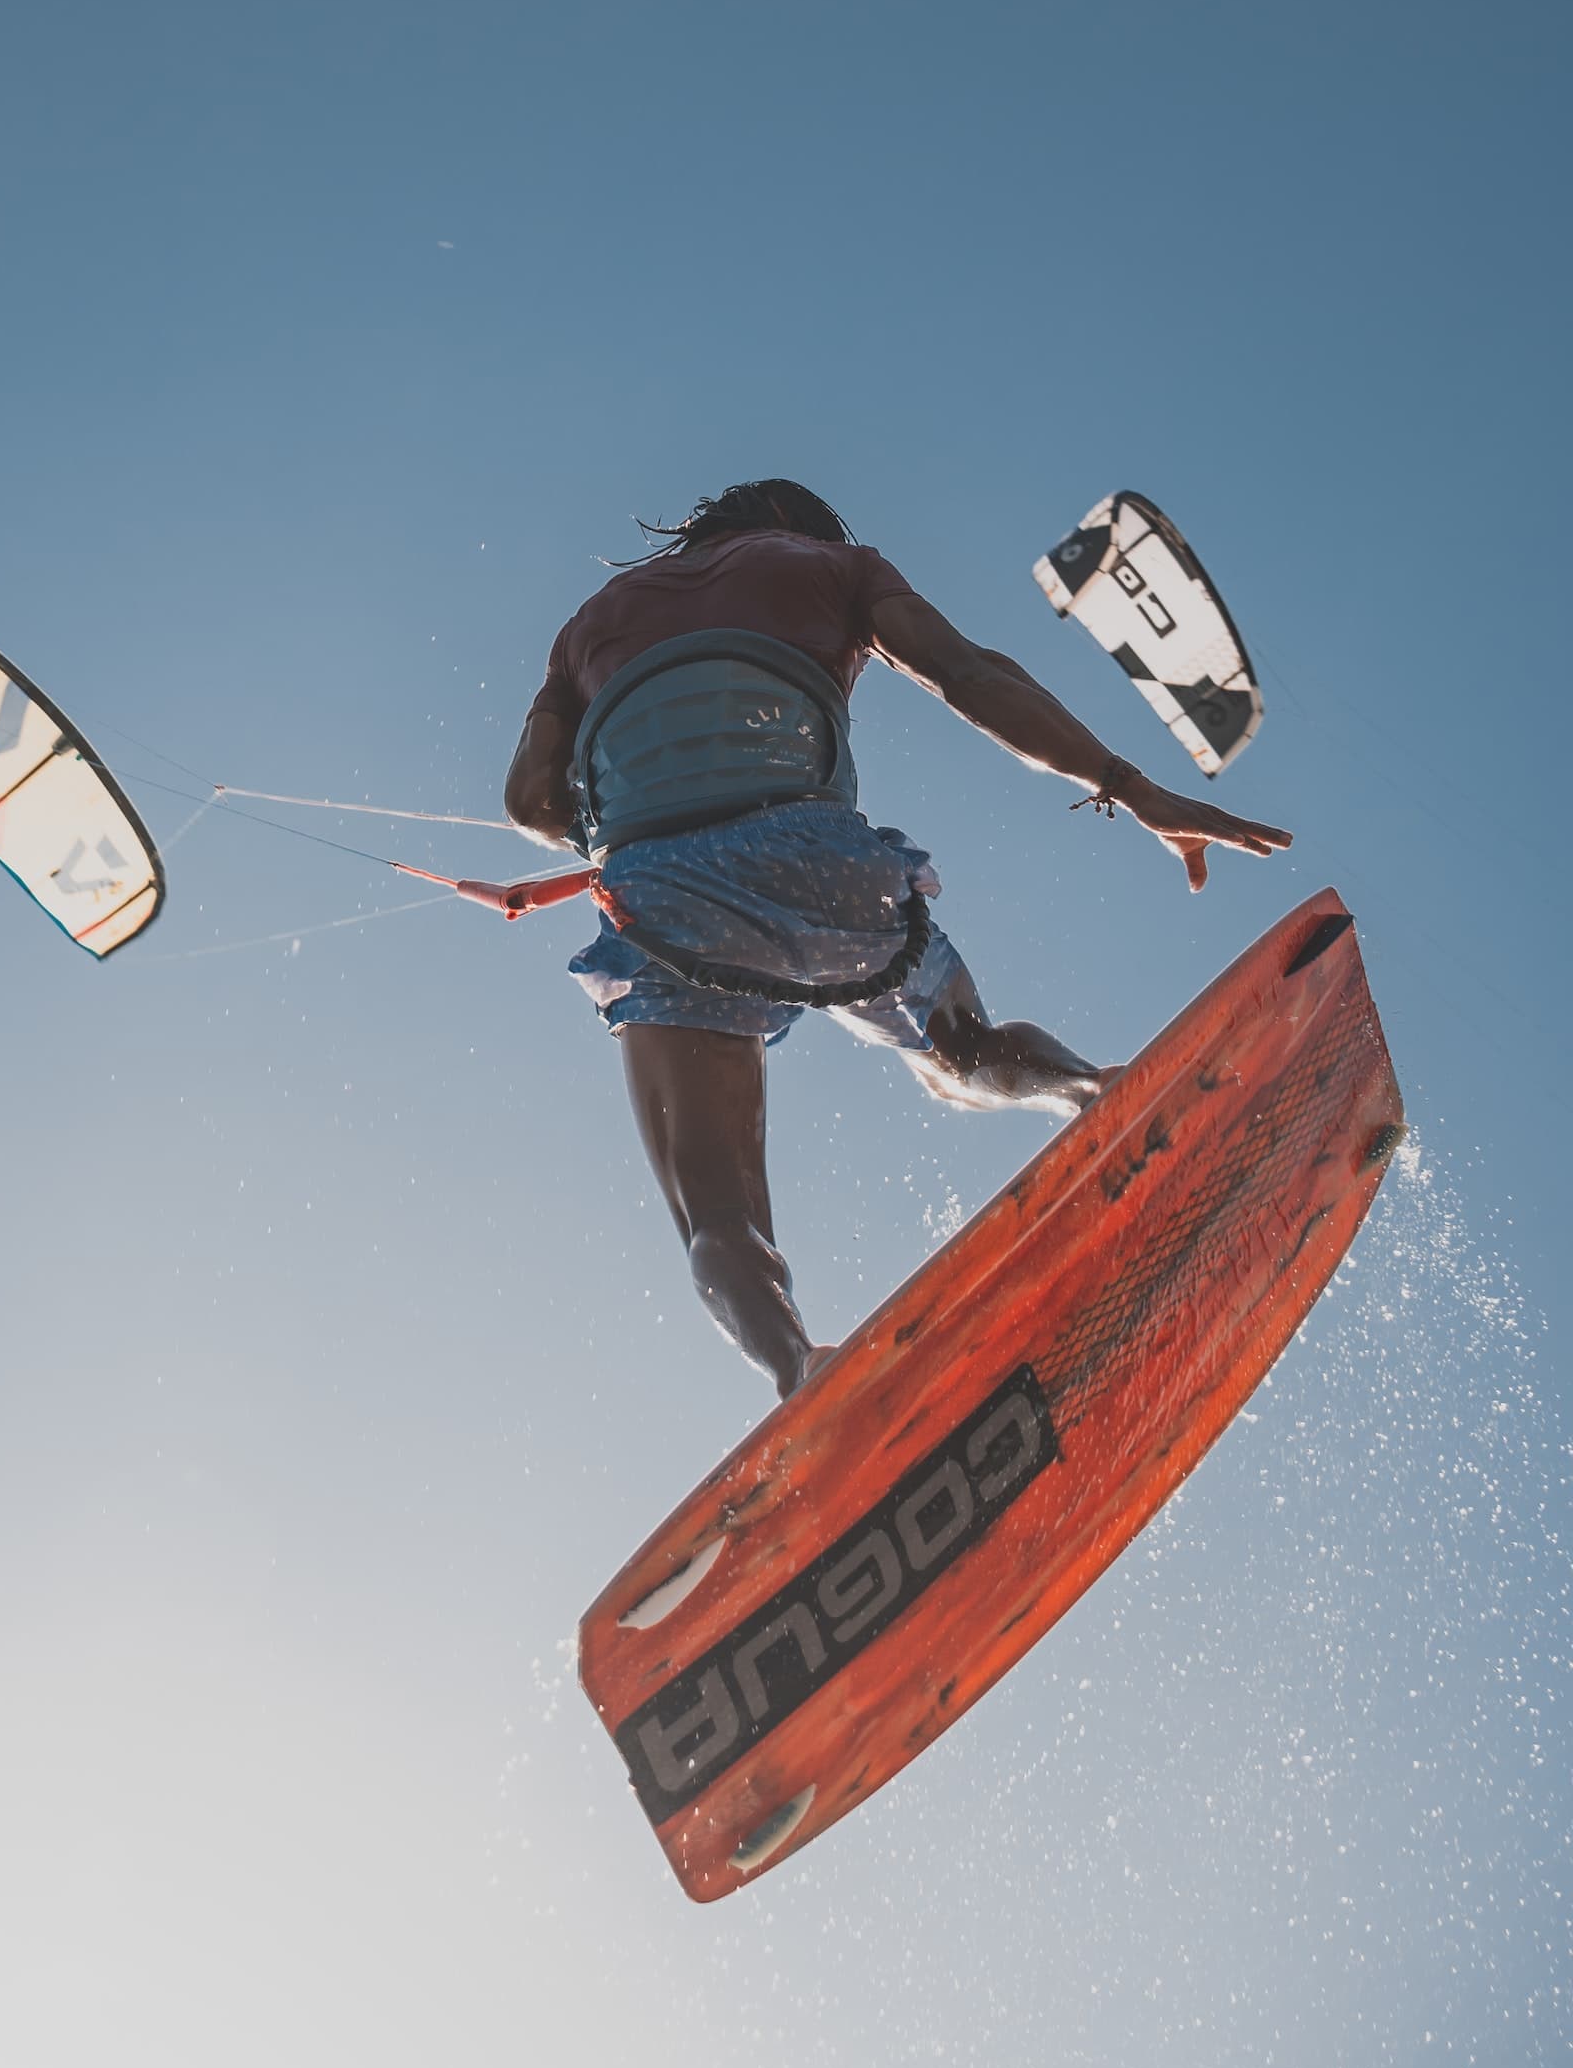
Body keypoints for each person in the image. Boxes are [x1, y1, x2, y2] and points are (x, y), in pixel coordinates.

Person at [503, 479, 1292, 1402]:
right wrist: (1131, 787)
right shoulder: (835, 566)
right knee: (965, 1051)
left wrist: (631, 827)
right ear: (799, 528)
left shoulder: (588, 623)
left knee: (717, 1215)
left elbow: (532, 802)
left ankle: (801, 1375)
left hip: (662, 900)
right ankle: (1100, 1093)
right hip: (822, 860)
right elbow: (972, 677)